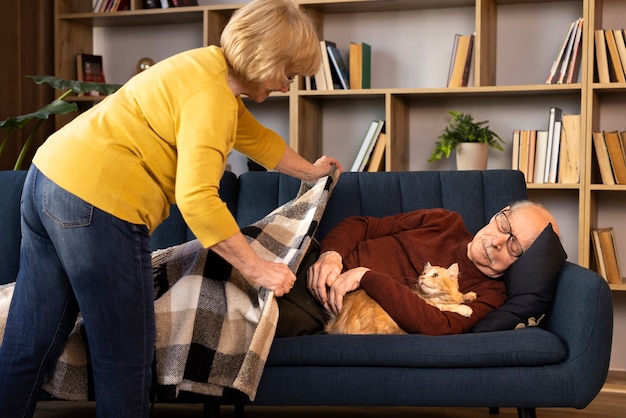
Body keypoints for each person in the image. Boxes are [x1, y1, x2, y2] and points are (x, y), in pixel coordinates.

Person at [0, 1, 341, 417]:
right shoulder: (213, 98)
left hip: (48, 179)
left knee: (30, 340)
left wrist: (310, 170)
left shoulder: (206, 68)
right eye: (288, 74)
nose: (288, 86)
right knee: (124, 357)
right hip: (98, 203)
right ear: (264, 56)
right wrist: (259, 269)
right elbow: (198, 201)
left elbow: (256, 139)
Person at [293, 200, 559, 336]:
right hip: (312, 258)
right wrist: (330, 255)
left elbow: (438, 325)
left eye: (515, 246)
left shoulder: (489, 294)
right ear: (499, 213)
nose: (498, 241)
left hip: (328, 308)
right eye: (504, 226)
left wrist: (365, 276)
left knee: (256, 314)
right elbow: (363, 225)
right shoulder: (445, 222)